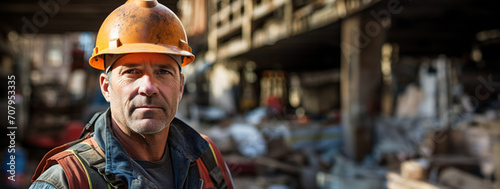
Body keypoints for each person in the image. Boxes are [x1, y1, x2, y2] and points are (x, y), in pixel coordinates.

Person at [30, 0, 234, 188]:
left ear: (180, 86)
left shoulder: (207, 157)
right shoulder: (67, 180)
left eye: (163, 72)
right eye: (131, 72)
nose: (148, 87)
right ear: (106, 87)